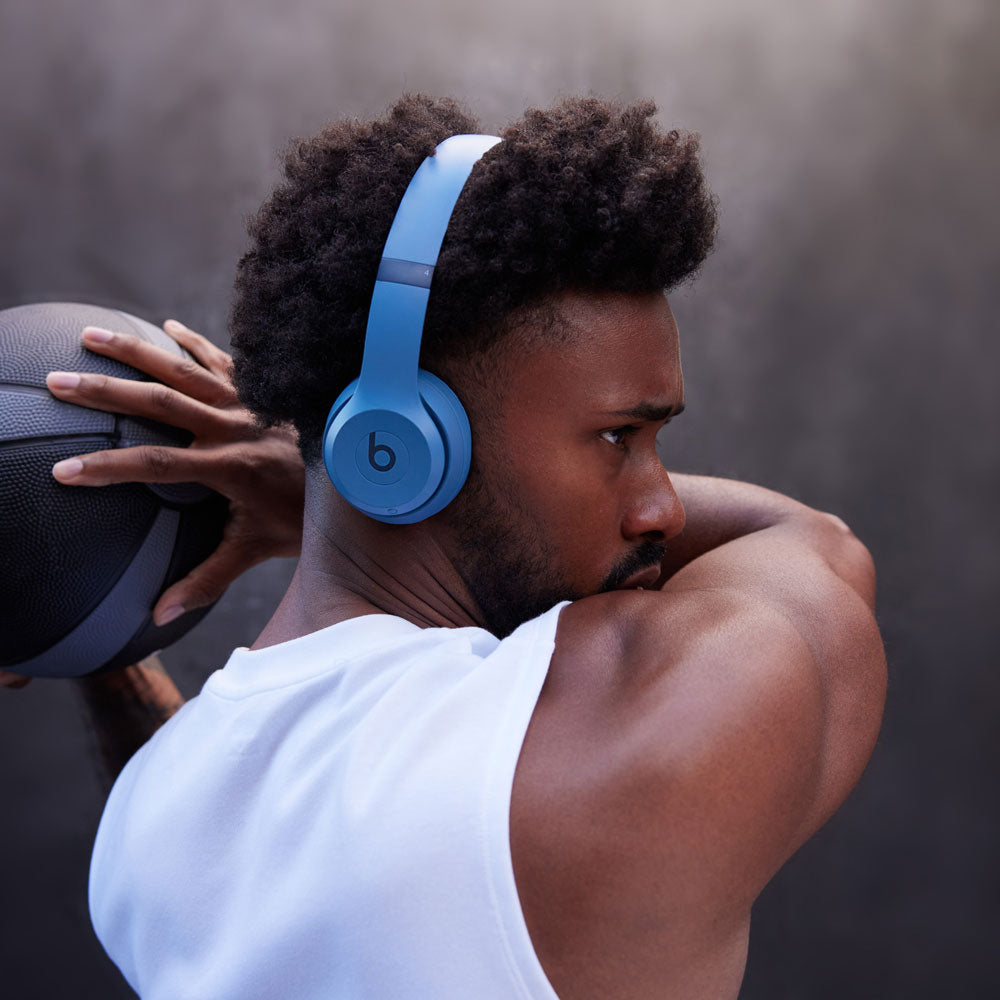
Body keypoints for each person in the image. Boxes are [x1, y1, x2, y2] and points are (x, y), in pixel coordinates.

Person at [11, 95, 886, 999]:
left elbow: (248, 848)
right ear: (402, 447)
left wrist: (88, 622)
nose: (659, 506)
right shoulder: (636, 737)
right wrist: (308, 477)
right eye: (619, 437)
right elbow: (816, 546)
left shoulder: (140, 837)